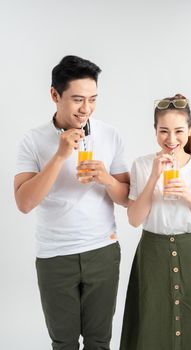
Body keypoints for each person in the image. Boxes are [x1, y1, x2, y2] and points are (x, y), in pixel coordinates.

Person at [14, 55, 129, 350]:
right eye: (78, 99)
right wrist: (60, 155)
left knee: (99, 341)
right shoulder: (33, 140)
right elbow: (24, 203)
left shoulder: (109, 134)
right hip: (55, 256)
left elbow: (128, 198)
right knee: (63, 343)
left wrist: (107, 179)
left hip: (102, 251)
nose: (86, 109)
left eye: (93, 99)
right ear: (55, 95)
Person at [119, 94, 191, 350]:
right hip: (152, 253)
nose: (171, 139)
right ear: (155, 131)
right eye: (163, 131)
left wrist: (188, 196)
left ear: (189, 131)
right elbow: (134, 220)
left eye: (179, 131)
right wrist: (154, 177)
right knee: (151, 319)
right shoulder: (143, 165)